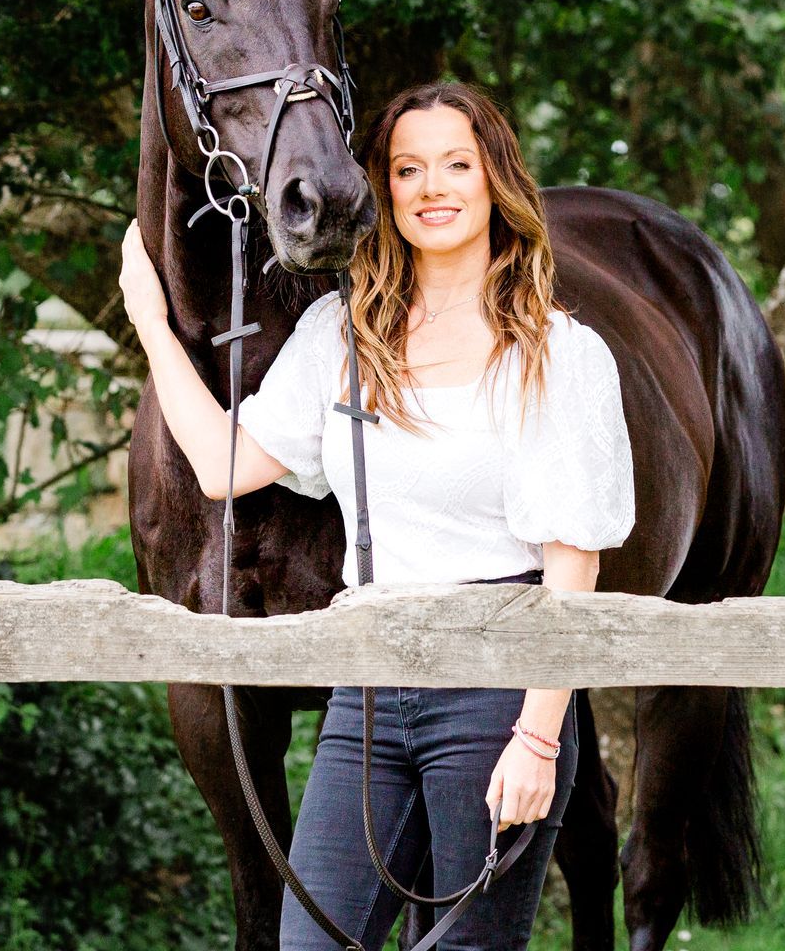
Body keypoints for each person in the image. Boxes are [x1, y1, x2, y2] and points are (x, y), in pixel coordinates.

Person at [116, 80, 636, 951]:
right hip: (364, 697)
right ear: (383, 191)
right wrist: (152, 328)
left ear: (494, 181)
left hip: (495, 692)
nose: (433, 187)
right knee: (312, 942)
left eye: (456, 165)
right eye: (408, 169)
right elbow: (223, 466)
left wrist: (540, 737)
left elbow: (572, 564)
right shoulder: (342, 335)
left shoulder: (559, 353)